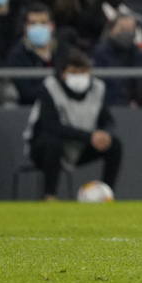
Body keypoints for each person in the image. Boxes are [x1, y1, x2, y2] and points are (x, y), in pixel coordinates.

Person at [24, 50, 121, 200]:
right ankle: (50, 196)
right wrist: (89, 137)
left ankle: (106, 193)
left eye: (83, 72)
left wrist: (105, 133)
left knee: (114, 145)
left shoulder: (97, 88)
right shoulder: (50, 87)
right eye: (73, 72)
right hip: (43, 148)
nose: (79, 76)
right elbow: (51, 126)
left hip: (79, 145)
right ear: (62, 73)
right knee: (52, 143)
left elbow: (107, 120)